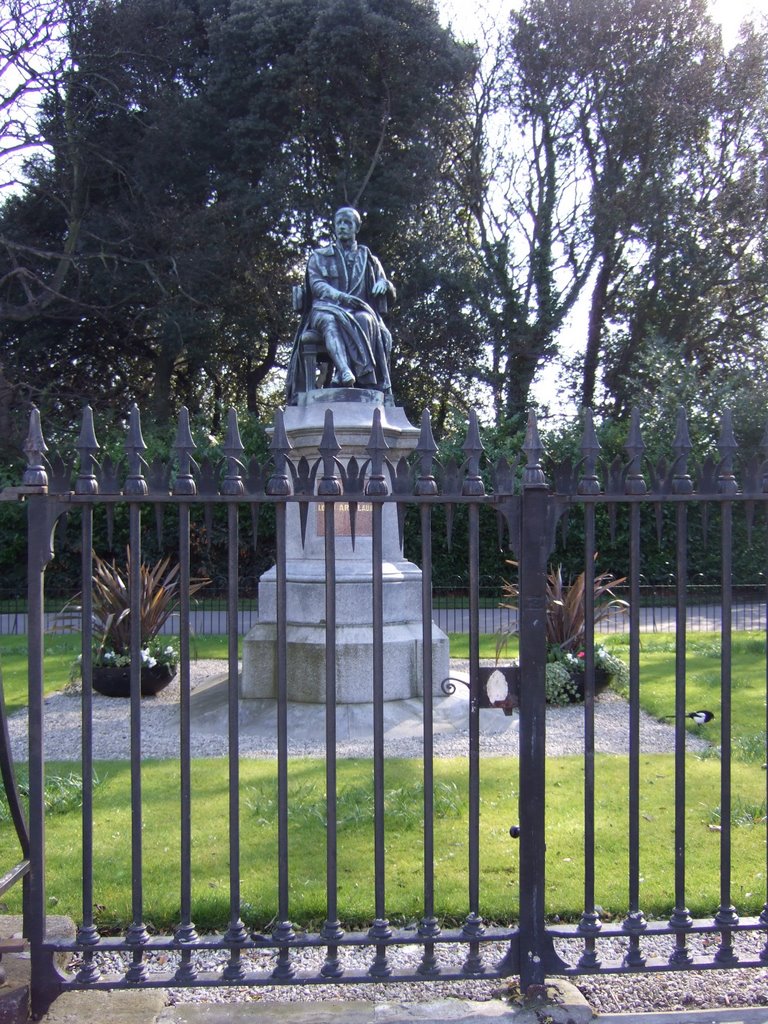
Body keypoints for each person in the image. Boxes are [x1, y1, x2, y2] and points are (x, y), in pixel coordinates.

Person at [286, 207, 395, 404]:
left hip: (358, 311)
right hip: (325, 308)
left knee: (367, 320)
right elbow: (317, 285)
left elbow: (386, 286)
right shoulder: (319, 256)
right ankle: (344, 370)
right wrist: (341, 297)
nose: (343, 227)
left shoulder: (369, 259)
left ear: (357, 228)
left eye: (348, 223)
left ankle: (355, 377)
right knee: (330, 321)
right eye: (339, 223)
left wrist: (384, 284)